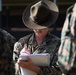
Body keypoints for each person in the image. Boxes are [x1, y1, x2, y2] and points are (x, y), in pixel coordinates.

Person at [13, 0, 62, 75]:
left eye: (41, 26)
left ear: (48, 24)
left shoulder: (58, 44)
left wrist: (34, 69)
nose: (38, 29)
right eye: (35, 26)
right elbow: (12, 70)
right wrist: (20, 61)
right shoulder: (21, 43)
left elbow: (60, 70)